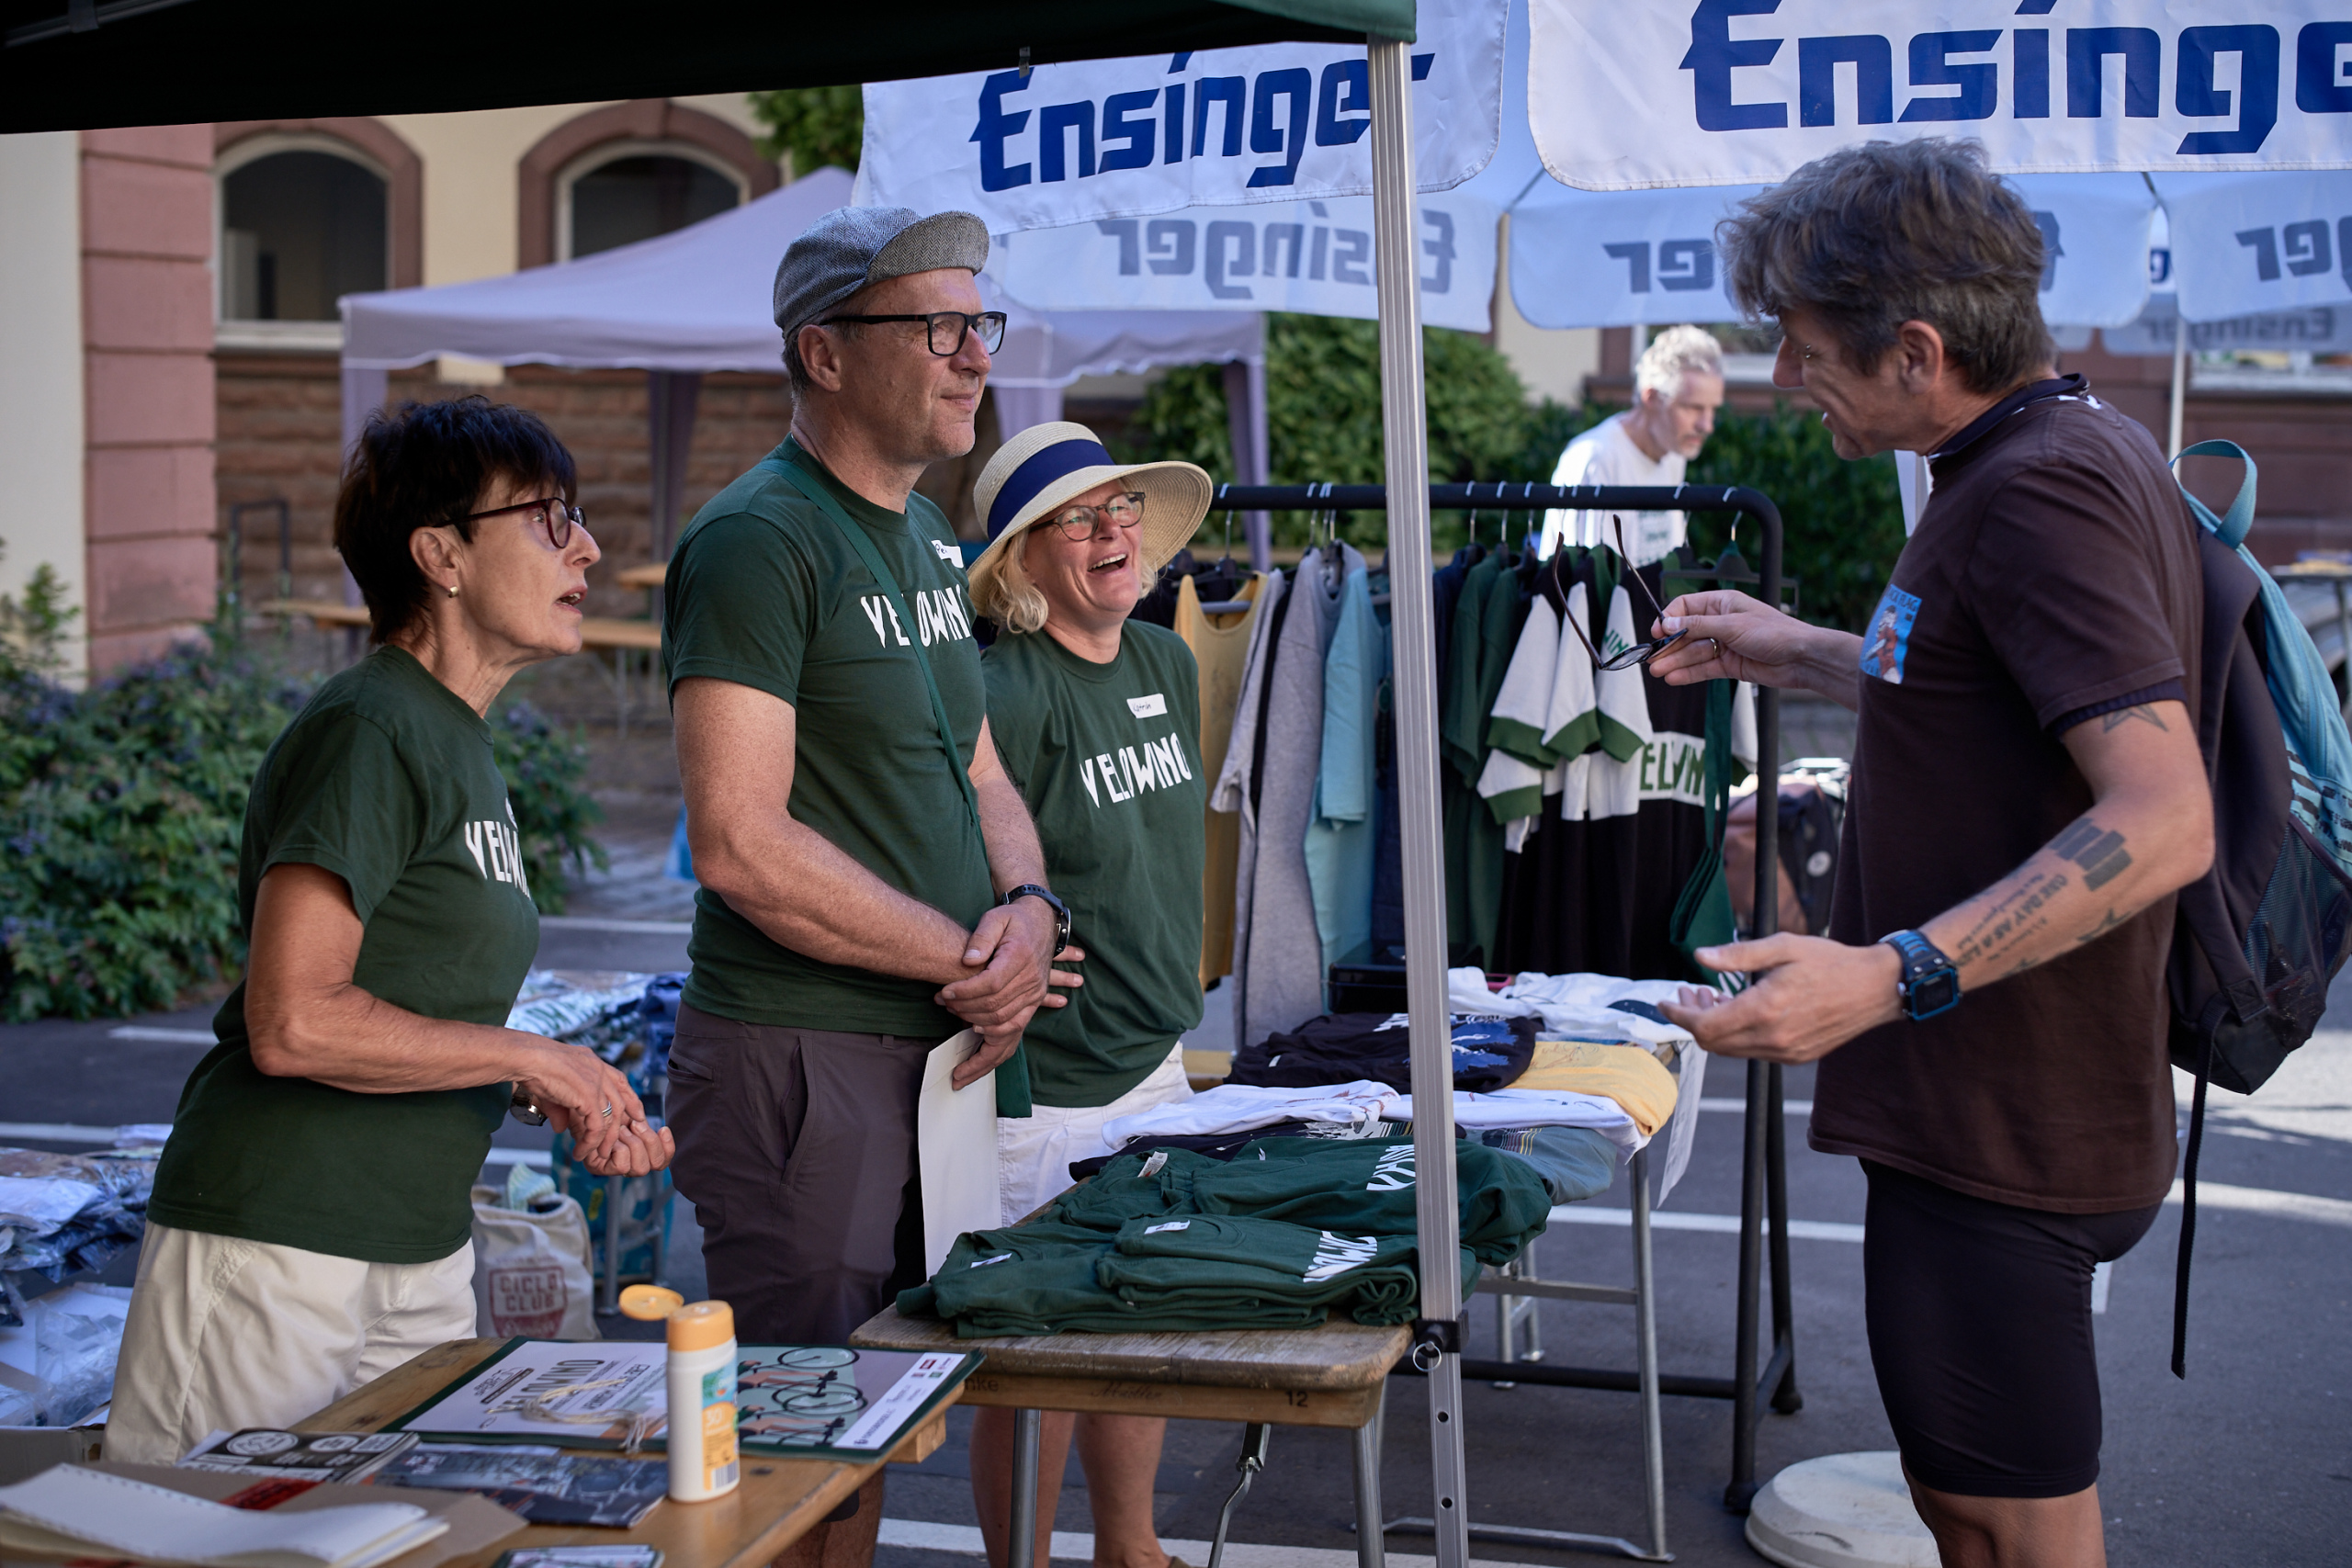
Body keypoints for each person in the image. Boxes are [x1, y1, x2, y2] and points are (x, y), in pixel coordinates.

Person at [1648, 140, 2211, 1568]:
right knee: (1967, 1506)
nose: (1784, 373)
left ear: (1917, 349)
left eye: (1803, 343)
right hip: (2001, 1111)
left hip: (2008, 1123)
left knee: (2008, 1529)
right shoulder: (2043, 446)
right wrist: (1806, 649)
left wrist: (1891, 973)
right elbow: (1999, 686)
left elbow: (2164, 815)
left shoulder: (2038, 487)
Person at [110, 397, 673, 1463]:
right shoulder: (371, 727)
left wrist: (539, 1081)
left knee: (400, 1528)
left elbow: (416, 1002)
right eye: (548, 519)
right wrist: (531, 1054)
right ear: (440, 555)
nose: (587, 547)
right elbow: (295, 1023)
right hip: (282, 1236)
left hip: (418, 1243)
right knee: (216, 1531)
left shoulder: (456, 739)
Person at [660, 207, 1064, 1568]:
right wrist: (974, 957)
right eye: (937, 328)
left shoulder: (932, 536)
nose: (975, 356)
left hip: (931, 1054)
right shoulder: (758, 538)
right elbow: (739, 841)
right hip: (799, 1057)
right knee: (796, 1452)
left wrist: (1030, 911)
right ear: (824, 355)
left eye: (979, 323)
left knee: (874, 1424)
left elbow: (981, 767)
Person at [962, 422, 1215, 1568]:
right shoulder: (1001, 690)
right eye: (1076, 518)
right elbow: (952, 865)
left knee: (1135, 1324)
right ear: (1019, 559)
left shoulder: (1166, 659)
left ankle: (1131, 1548)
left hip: (1155, 1060)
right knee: (1038, 1360)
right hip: (1046, 1088)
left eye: (1121, 508)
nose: (1112, 530)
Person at [1540, 323, 1724, 565]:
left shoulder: (1673, 451)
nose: (1707, 425)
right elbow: (1588, 578)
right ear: (1651, 397)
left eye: (1712, 409)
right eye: (1693, 407)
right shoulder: (1595, 459)